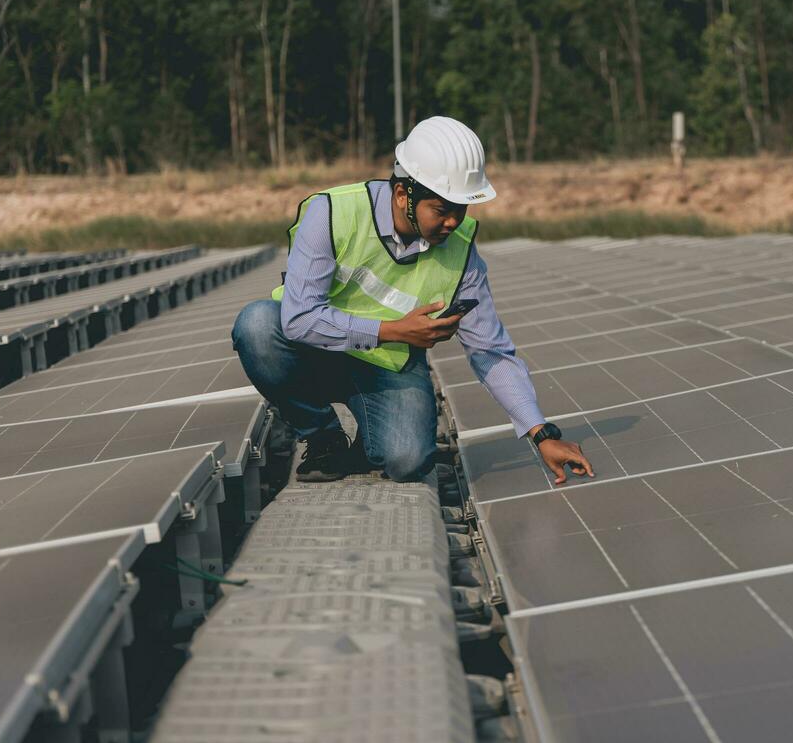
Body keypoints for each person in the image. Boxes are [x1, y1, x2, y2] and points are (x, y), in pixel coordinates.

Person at [231, 115, 593, 486]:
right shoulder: (333, 213)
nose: (453, 223)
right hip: (315, 350)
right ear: (403, 194)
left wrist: (540, 433)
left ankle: (368, 442)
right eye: (442, 210)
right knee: (258, 326)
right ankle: (322, 435)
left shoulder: (461, 251)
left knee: (407, 459)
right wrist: (390, 330)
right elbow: (299, 319)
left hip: (386, 367)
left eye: (461, 210)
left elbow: (490, 348)